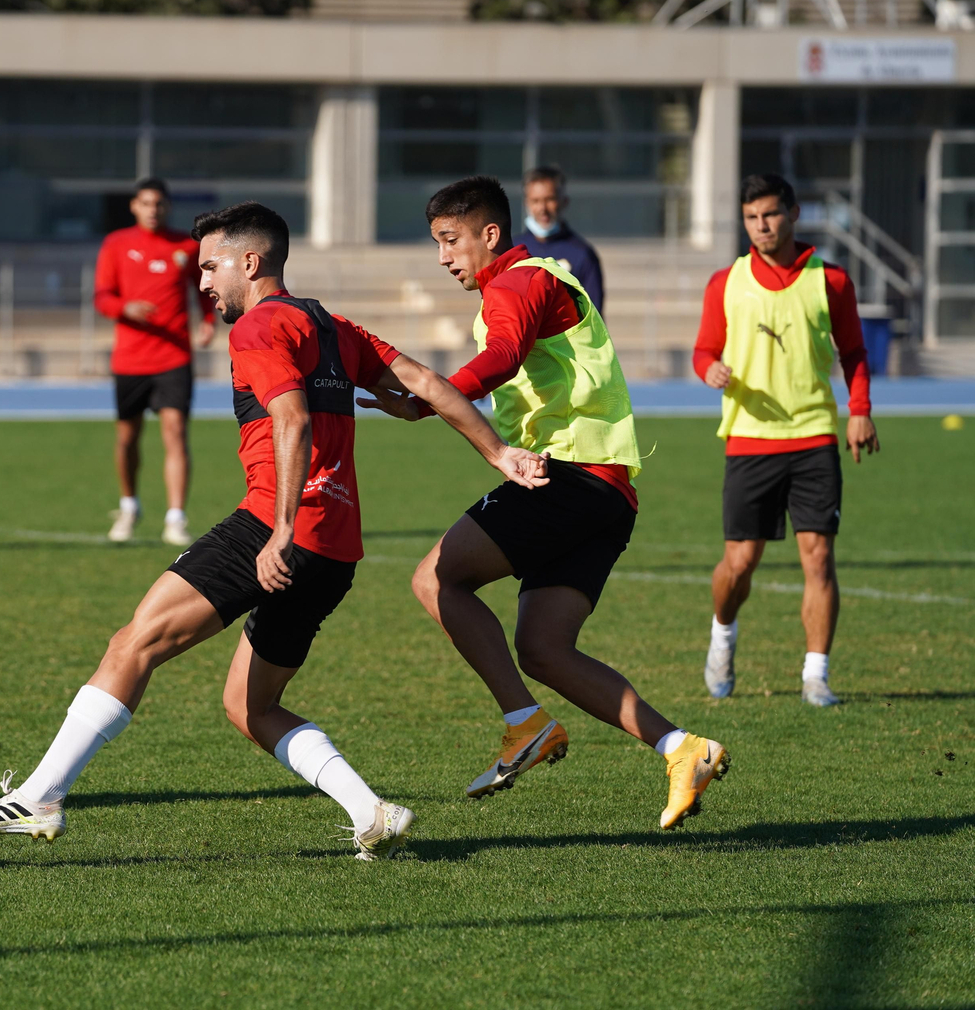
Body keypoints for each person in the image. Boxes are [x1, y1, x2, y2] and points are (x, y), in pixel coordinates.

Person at [0, 202, 549, 860]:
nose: (202, 282)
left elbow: (292, 419)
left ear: (250, 262)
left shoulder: (259, 327)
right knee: (250, 706)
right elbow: (426, 383)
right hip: (335, 553)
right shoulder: (331, 325)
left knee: (133, 644)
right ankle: (371, 812)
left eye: (210, 267)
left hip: (274, 528)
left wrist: (279, 531)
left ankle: (39, 798)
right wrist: (498, 453)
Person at [370, 176, 728, 830]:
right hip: (609, 491)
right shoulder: (533, 280)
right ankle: (683, 749)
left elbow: (503, 358)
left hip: (570, 478)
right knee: (543, 648)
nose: (443, 257)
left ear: (490, 234)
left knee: (434, 579)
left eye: (450, 240)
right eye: (436, 243)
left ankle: (525, 723)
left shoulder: (518, 282)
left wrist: (428, 398)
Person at [693, 174, 878, 707]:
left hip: (814, 435)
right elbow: (703, 351)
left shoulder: (831, 280)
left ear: (793, 213)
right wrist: (709, 370)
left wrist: (860, 411)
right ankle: (722, 635)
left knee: (818, 558)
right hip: (749, 439)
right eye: (751, 218)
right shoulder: (725, 282)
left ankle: (816, 675)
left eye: (771, 214)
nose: (762, 226)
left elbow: (854, 353)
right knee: (739, 564)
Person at [95, 177, 215, 546]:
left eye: (159, 204)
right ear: (134, 206)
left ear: (168, 207)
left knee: (176, 433)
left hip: (174, 356)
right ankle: (129, 506)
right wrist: (124, 308)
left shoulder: (185, 245)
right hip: (130, 359)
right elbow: (101, 296)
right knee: (127, 438)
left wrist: (208, 321)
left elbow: (205, 289)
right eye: (146, 203)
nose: (152, 210)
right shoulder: (116, 244)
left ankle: (175, 518)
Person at [512, 165, 605, 313]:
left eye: (550, 199)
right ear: (526, 203)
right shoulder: (511, 250)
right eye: (535, 201)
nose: (542, 208)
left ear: (564, 201)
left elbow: (594, 315)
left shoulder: (582, 254)